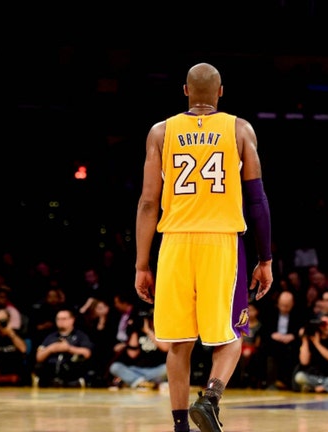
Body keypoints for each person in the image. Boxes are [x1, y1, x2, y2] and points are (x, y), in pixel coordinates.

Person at [134, 62, 273, 432]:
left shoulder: (160, 132)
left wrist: (141, 264)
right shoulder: (240, 129)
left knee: (180, 342)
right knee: (230, 336)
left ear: (185, 91)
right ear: (221, 92)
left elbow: (148, 203)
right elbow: (257, 201)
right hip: (221, 242)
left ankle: (181, 426)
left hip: (175, 242)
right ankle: (210, 398)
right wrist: (266, 258)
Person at [108, 308, 170, 390]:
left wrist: (148, 331)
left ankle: (135, 381)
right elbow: (132, 354)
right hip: (137, 369)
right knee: (115, 367)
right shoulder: (136, 333)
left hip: (155, 370)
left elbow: (166, 348)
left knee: (167, 368)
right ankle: (143, 382)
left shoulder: (160, 332)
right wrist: (134, 330)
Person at [33, 307, 93, 388]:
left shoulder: (80, 336)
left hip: (72, 379)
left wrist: (69, 348)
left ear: (72, 320)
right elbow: (38, 357)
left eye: (64, 319)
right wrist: (50, 349)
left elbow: (87, 353)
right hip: (50, 379)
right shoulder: (50, 337)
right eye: (58, 319)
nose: (60, 321)